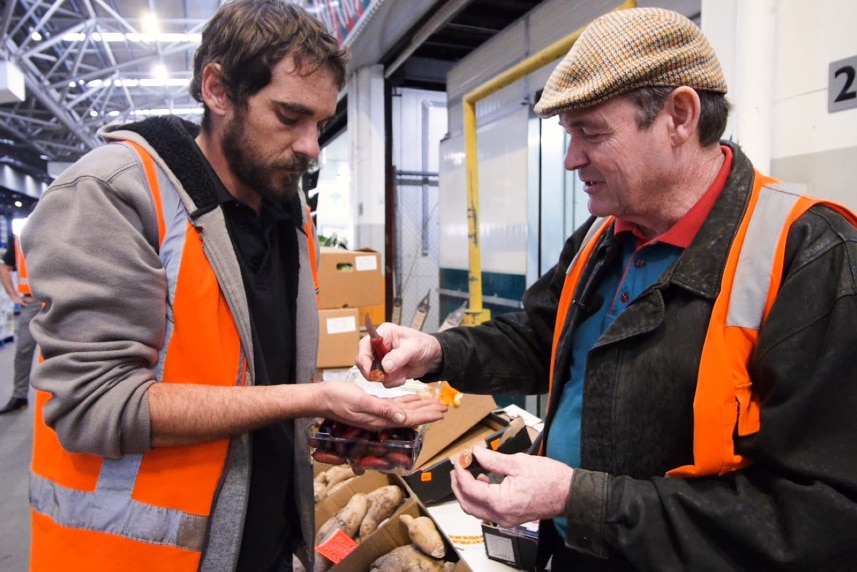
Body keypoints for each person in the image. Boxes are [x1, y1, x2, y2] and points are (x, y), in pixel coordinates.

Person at [356, 7, 857, 570]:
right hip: (576, 550)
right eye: (568, 135)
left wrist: (579, 499)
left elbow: (820, 514)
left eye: (591, 133)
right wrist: (439, 352)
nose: (571, 159)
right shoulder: (602, 235)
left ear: (680, 116)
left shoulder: (810, 256)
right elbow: (541, 339)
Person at [21, 2, 445, 571]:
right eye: (289, 115)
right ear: (218, 90)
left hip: (263, 546)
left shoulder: (288, 213)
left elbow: (252, 375)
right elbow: (96, 408)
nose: (311, 146)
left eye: (319, 122)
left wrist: (341, 404)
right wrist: (314, 397)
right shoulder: (113, 194)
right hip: (138, 555)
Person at [0, 234, 38, 414]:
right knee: (23, 349)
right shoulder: (20, 238)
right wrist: (14, 296)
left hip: (60, 299)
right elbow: (4, 267)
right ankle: (19, 396)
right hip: (32, 302)